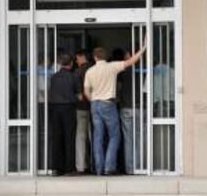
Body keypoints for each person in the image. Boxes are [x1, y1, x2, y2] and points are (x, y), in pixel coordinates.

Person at [84, 45, 146, 175]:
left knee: (98, 137)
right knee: (114, 136)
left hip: (95, 104)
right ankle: (109, 167)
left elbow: (86, 91)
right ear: (106, 56)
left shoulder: (89, 71)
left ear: (95, 57)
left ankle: (99, 169)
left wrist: (93, 100)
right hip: (108, 104)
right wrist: (143, 49)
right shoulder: (112, 67)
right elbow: (131, 61)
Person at [48, 54, 79, 176]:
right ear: (71, 64)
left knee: (56, 138)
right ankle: (69, 168)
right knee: (69, 137)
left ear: (60, 64)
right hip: (69, 108)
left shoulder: (54, 77)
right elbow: (80, 95)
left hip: (54, 108)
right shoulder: (74, 77)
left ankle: (57, 168)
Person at [74, 50, 92, 174]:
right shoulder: (94, 69)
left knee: (81, 137)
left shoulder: (78, 71)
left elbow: (78, 93)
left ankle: (81, 166)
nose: (76, 61)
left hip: (81, 107)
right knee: (95, 137)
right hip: (95, 106)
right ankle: (95, 165)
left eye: (77, 58)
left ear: (82, 57)